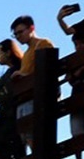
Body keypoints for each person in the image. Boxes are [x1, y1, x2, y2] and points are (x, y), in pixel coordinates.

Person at [10, 14, 56, 149]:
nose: (18, 37)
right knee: (26, 134)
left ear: (31, 28)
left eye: (20, 32)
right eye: (16, 34)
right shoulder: (26, 54)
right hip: (25, 97)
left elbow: (48, 68)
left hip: (37, 96)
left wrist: (23, 74)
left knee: (35, 133)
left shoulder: (43, 43)